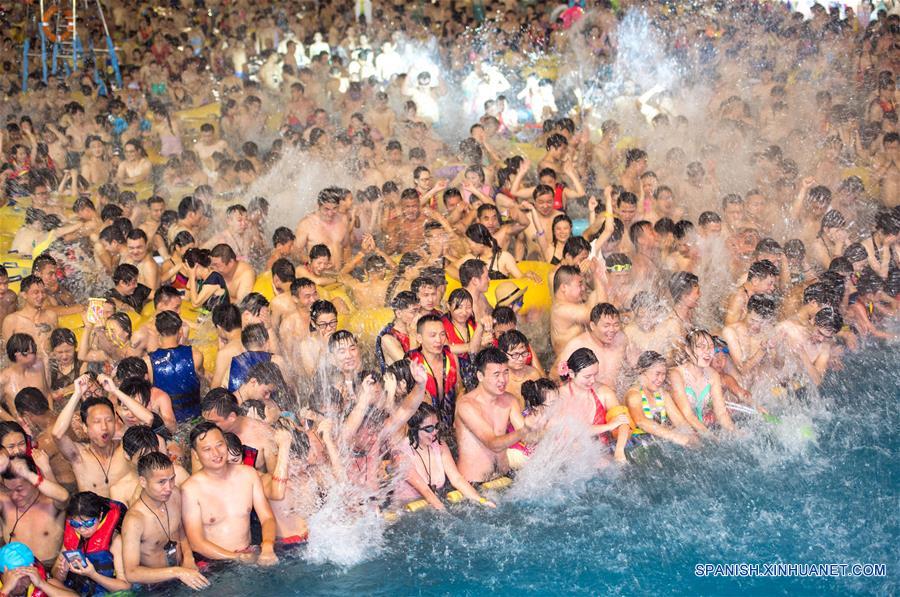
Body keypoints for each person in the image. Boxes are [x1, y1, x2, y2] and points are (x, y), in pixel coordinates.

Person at [180, 422, 278, 567]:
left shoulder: (248, 475)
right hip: (213, 564)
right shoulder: (190, 490)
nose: (216, 453)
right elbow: (196, 543)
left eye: (219, 445)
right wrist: (236, 557)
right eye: (207, 449)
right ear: (195, 454)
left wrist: (268, 546)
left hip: (249, 553)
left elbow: (267, 517)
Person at [121, 451, 208, 591]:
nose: (168, 487)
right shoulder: (134, 520)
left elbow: (179, 529)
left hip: (183, 571)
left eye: (172, 479)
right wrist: (177, 572)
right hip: (156, 587)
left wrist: (188, 556)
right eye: (161, 482)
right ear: (143, 482)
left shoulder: (174, 495)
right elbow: (131, 573)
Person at [394, 403, 496, 511]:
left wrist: (481, 500)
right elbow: (425, 491)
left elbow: (456, 479)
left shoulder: (439, 446)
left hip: (431, 505)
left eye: (436, 426)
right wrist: (446, 515)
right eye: (429, 429)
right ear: (414, 430)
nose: (435, 432)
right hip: (406, 512)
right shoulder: (401, 454)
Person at [454, 348, 532, 483]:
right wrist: (527, 429)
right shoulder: (466, 405)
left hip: (505, 477)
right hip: (474, 484)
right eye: (496, 374)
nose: (502, 380)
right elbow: (493, 443)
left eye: (505, 372)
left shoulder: (510, 400)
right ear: (480, 376)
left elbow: (529, 437)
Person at [51, 376, 130, 496]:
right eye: (97, 422)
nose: (104, 427)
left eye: (109, 420)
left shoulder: (126, 448)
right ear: (84, 427)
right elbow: (57, 434)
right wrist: (77, 394)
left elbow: (147, 421)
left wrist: (115, 390)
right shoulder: (79, 456)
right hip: (93, 513)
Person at [558, 348, 631, 463]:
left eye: (595, 375)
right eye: (587, 377)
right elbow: (574, 431)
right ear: (571, 373)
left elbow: (624, 422)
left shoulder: (604, 392)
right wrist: (608, 426)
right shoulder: (562, 395)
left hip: (603, 451)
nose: (592, 380)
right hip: (574, 456)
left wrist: (619, 450)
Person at [51, 491, 131, 595]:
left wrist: (93, 574)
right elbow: (56, 576)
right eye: (75, 523)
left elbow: (126, 587)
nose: (82, 529)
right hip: (77, 592)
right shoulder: (73, 537)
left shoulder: (115, 541)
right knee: (50, 582)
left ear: (100, 516)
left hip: (106, 594)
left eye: (88, 523)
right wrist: (62, 572)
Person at [0, 453, 70, 567]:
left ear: (33, 481)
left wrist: (28, 474)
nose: (14, 496)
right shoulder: (5, 504)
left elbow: (64, 496)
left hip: (48, 568)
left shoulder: (51, 504)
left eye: (19, 489)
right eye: (9, 490)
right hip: (13, 571)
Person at [667, 330, 736, 435]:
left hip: (701, 428)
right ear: (688, 350)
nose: (708, 351)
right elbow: (687, 414)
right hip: (677, 431)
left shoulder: (713, 376)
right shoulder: (676, 374)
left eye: (711, 346)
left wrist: (735, 433)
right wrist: (710, 438)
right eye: (701, 346)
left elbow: (721, 413)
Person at [623, 351, 696, 447]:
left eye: (663, 374)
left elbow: (680, 422)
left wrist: (692, 437)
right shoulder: (634, 395)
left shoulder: (663, 395)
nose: (661, 379)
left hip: (658, 442)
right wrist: (675, 436)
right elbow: (641, 421)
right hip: (636, 445)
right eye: (657, 374)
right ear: (642, 371)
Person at [406, 314, 463, 430]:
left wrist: (459, 414)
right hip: (425, 429)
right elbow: (406, 405)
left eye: (442, 334)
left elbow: (460, 389)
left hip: (451, 425)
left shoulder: (451, 358)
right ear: (419, 338)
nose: (439, 340)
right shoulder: (412, 364)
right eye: (433, 335)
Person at [553, 303, 629, 389]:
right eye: (606, 326)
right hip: (589, 396)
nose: (612, 330)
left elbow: (632, 368)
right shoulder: (578, 344)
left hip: (616, 396)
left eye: (616, 325)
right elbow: (555, 374)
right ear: (592, 326)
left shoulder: (622, 339)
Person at [146, 311, 204, 424]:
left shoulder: (148, 362)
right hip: (196, 420)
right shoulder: (196, 355)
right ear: (180, 331)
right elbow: (203, 382)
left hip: (168, 423)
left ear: (158, 332)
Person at [200, 389, 277, 473]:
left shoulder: (263, 436)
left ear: (231, 417)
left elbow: (275, 480)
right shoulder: (206, 435)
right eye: (205, 420)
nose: (207, 426)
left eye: (213, 422)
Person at [1, 334, 49, 417]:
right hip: (23, 425)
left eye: (34, 351)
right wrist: (13, 421)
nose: (35, 356)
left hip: (45, 420)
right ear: (17, 354)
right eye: (31, 353)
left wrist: (52, 418)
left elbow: (47, 394)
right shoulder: (4, 379)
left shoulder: (39, 366)